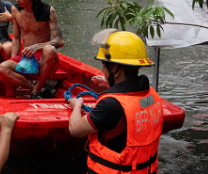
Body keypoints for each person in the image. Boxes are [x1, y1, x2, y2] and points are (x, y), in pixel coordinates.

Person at [67, 31, 162, 174]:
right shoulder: (151, 95)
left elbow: (75, 130)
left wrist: (77, 105)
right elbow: (131, 102)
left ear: (116, 69)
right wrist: (112, 86)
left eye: (104, 65)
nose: (102, 69)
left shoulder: (110, 105)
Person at [0, 0, 65, 98]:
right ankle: (37, 89)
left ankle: (37, 89)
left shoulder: (48, 10)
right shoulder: (15, 10)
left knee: (49, 49)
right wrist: (13, 60)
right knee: (3, 67)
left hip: (44, 59)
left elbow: (60, 40)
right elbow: (17, 38)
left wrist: (37, 46)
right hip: (26, 57)